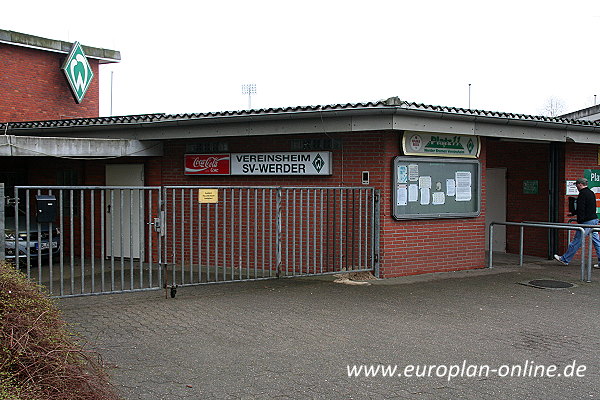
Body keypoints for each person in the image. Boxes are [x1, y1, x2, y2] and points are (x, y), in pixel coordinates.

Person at [554, 177, 600, 268]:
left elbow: (581, 208)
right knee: (596, 241)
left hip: (586, 222)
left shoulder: (582, 194)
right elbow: (589, 207)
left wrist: (580, 220)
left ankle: (565, 259)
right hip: (594, 219)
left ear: (580, 184)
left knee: (577, 240)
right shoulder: (591, 193)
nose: (576, 187)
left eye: (576, 185)